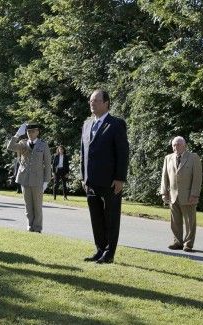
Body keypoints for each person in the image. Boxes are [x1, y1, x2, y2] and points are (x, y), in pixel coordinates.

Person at [80, 89, 129, 264]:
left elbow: (123, 153)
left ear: (106, 103)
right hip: (91, 181)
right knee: (96, 217)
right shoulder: (87, 125)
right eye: (90, 101)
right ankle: (100, 249)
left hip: (110, 182)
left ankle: (109, 253)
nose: (92, 104)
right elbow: (84, 153)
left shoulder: (116, 124)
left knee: (111, 217)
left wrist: (120, 178)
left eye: (96, 101)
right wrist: (83, 177)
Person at [7, 122, 51, 233]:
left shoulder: (43, 145)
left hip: (37, 179)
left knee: (37, 206)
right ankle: (30, 226)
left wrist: (46, 180)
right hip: (25, 178)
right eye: (28, 131)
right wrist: (17, 135)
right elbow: (10, 147)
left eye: (32, 131)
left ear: (37, 132)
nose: (30, 133)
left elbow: (47, 163)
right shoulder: (23, 143)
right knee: (28, 206)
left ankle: (37, 228)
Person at [161, 136, 202, 252]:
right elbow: (164, 177)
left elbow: (197, 178)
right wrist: (164, 192)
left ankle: (188, 244)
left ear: (185, 145)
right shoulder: (168, 158)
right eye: (174, 145)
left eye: (178, 144)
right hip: (173, 196)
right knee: (175, 222)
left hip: (189, 196)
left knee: (190, 222)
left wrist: (195, 194)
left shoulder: (193, 157)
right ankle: (177, 242)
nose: (175, 147)